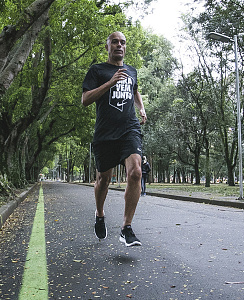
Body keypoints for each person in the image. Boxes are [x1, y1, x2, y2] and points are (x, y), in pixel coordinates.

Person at [81, 31, 147, 247]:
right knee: (104, 179)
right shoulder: (97, 70)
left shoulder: (132, 71)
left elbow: (134, 90)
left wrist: (141, 108)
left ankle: (126, 228)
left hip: (129, 128)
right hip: (105, 133)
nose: (119, 45)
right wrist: (110, 83)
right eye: (115, 42)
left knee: (136, 171)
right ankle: (100, 214)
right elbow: (85, 100)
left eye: (123, 43)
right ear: (107, 46)